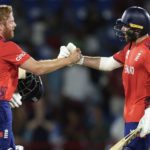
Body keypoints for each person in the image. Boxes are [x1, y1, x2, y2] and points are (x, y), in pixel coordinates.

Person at [65, 6, 150, 150]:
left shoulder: (147, 50)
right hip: (133, 117)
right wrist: (79, 59)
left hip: (143, 118)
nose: (123, 30)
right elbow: (108, 63)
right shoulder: (131, 47)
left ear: (138, 29)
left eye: (126, 27)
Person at [0, 5, 81, 150]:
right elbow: (37, 68)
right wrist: (68, 60)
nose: (15, 24)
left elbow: (22, 71)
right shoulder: (7, 47)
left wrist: (57, 60)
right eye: (11, 21)